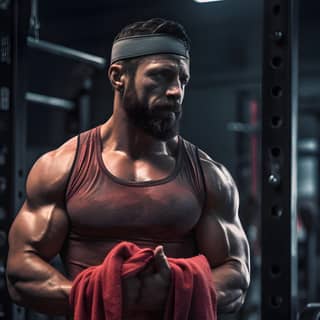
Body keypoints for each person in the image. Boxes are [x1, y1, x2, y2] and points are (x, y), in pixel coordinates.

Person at [6, 18, 250, 319]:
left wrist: (172, 292)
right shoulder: (62, 167)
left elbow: (237, 278)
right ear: (118, 76)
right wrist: (107, 297)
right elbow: (20, 274)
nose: (175, 91)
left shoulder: (210, 176)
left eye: (182, 80)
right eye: (161, 76)